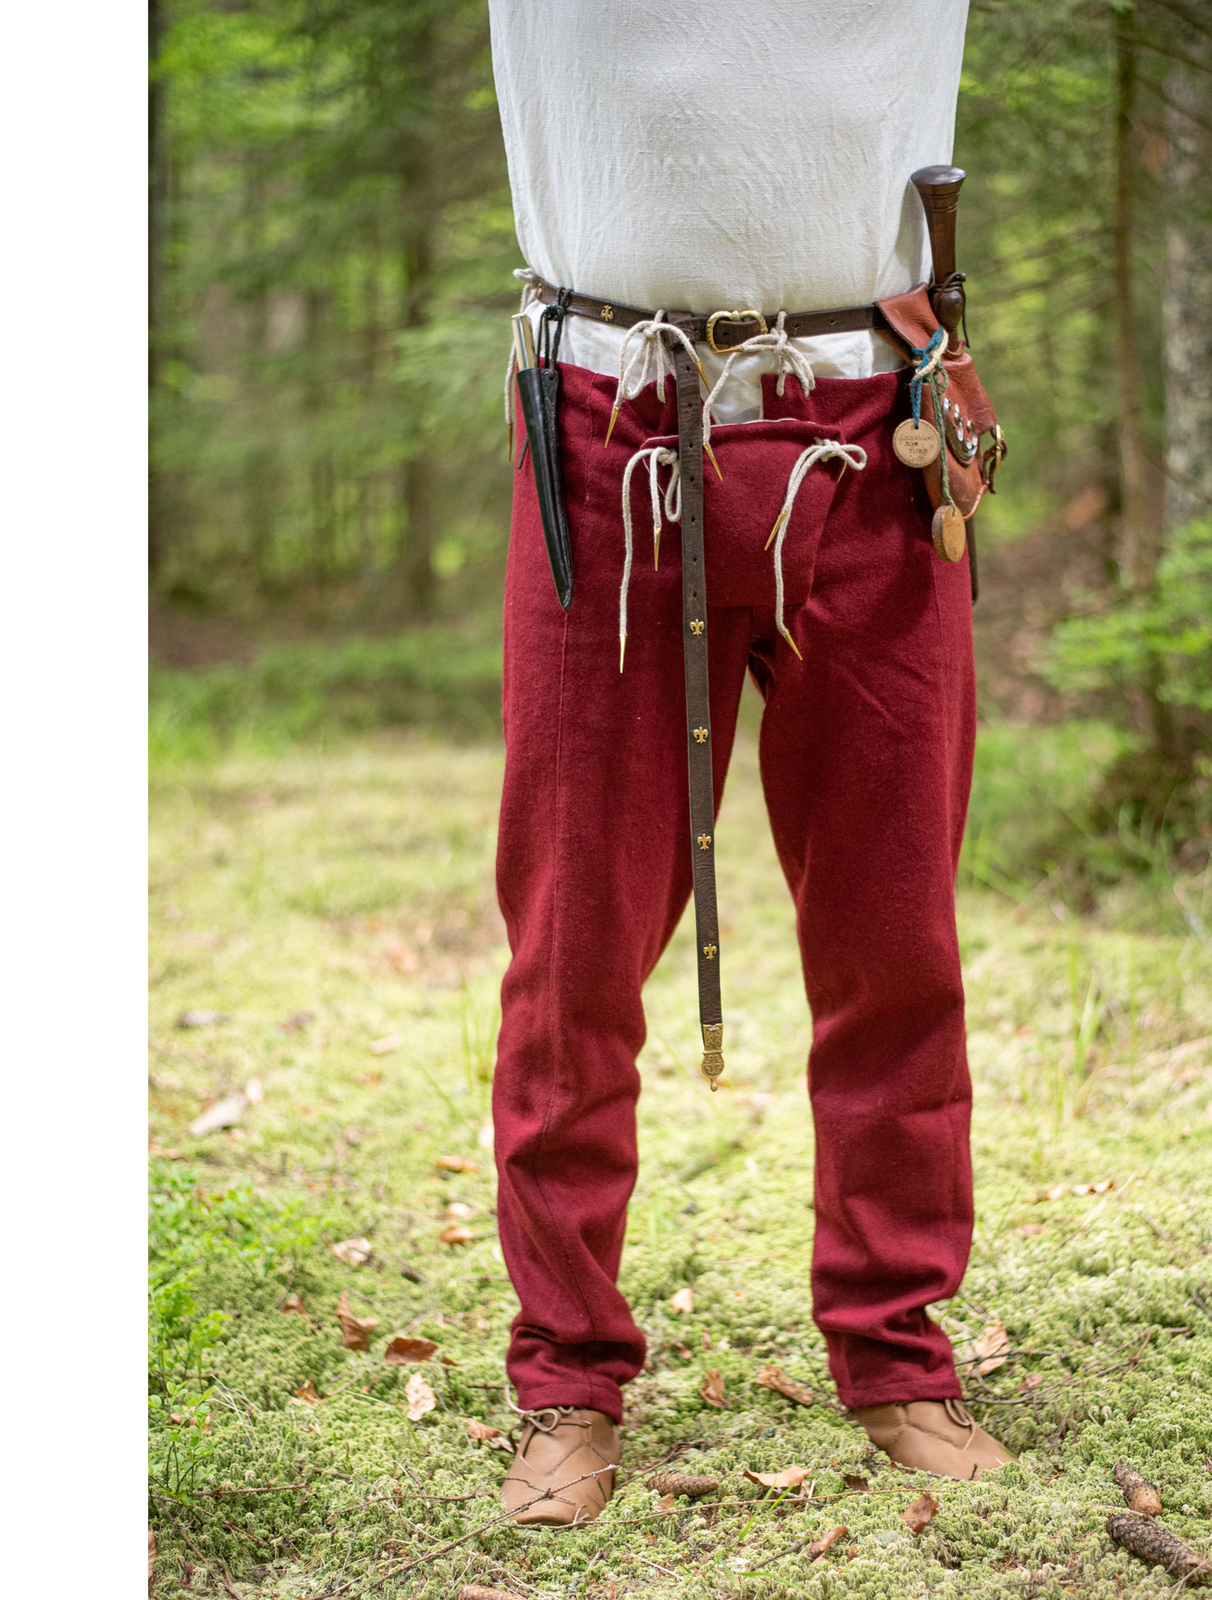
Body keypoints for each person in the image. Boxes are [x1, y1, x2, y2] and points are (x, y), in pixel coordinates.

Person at [487, 0, 1014, 1526]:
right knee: (574, 944)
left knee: (892, 934)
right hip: (608, 419)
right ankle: (567, 1377)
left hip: (879, 421)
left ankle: (895, 1350)